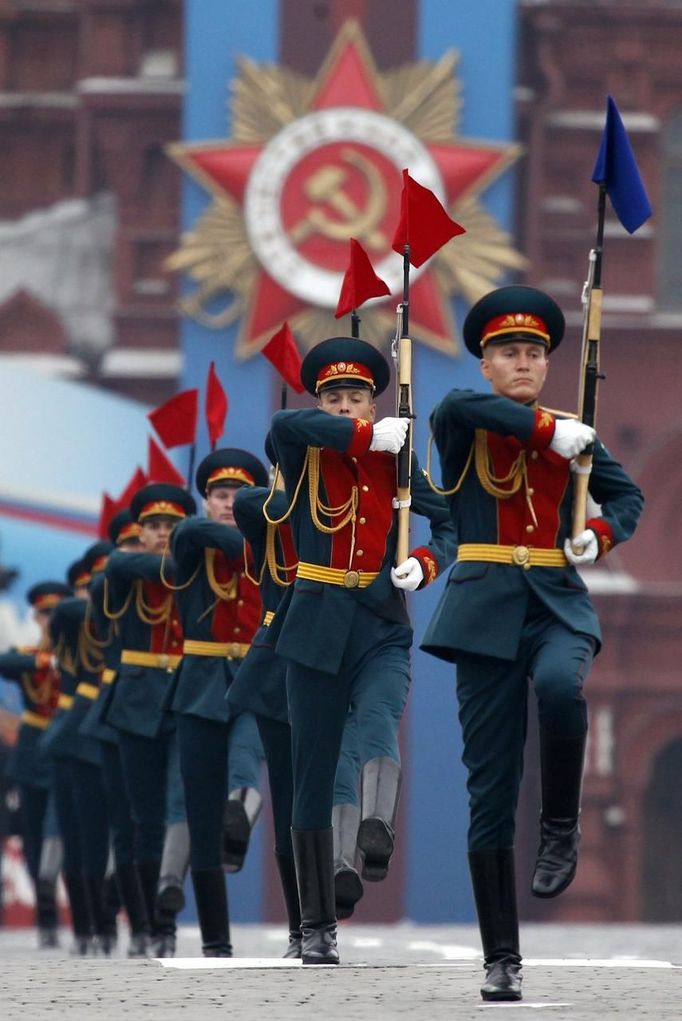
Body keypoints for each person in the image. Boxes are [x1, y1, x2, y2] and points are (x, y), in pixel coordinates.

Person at [421, 285, 644, 1002]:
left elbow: (628, 497)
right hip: (483, 610)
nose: (522, 363)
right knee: (487, 788)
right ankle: (501, 956)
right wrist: (550, 434)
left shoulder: (576, 433)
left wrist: (598, 533)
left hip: (554, 602)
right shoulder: (467, 418)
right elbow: (454, 409)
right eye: (508, 353)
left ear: (547, 364)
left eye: (533, 354)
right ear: (486, 366)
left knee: (558, 686)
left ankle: (559, 824)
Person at [269, 336, 457, 965]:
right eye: (333, 397)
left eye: (356, 399)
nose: (345, 407)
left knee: (379, 717)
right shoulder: (303, 451)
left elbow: (450, 521)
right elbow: (281, 423)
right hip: (315, 622)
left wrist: (424, 564)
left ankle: (376, 830)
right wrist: (357, 440)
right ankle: (318, 921)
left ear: (374, 404)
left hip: (379, 619)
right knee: (314, 768)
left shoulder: (397, 462)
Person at [168, 448, 267, 957]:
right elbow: (195, 535)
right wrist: (256, 526)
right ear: (204, 500)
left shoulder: (274, 541)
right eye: (221, 495)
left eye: (241, 495)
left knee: (246, 767)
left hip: (254, 678)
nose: (230, 504)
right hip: (201, 684)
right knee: (202, 808)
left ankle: (241, 820)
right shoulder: (190, 538)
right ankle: (215, 940)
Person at [103, 482, 195, 957]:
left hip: (183, 698)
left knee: (179, 809)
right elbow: (117, 565)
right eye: (154, 526)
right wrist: (187, 554)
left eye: (172, 526)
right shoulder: (126, 566)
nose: (162, 534)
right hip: (137, 704)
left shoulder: (198, 567)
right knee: (146, 820)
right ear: (140, 531)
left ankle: (166, 923)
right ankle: (142, 923)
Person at [79, 515, 151, 957]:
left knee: (158, 822)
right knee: (124, 824)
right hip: (118, 708)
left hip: (166, 707)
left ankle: (144, 910)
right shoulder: (114, 582)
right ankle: (133, 921)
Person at [0, 581, 69, 947]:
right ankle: (46, 914)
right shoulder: (30, 654)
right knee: (30, 833)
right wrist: (44, 659)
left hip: (68, 750)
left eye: (56, 613)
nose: (49, 620)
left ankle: (61, 892)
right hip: (32, 753)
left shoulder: (79, 655)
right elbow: (6, 662)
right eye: (44, 614)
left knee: (61, 828)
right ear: (36, 618)